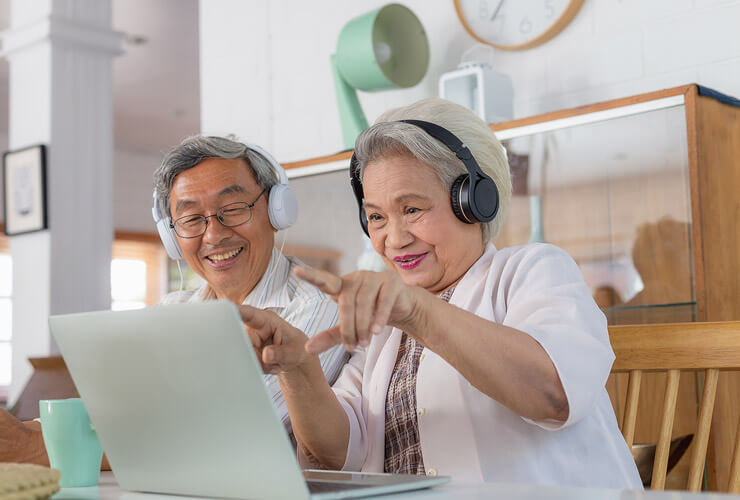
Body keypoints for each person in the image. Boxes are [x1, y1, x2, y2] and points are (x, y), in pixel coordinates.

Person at [238, 98, 643, 488]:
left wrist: (417, 311)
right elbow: (338, 453)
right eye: (376, 216)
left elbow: (553, 395)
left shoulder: (533, 269)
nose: (393, 239)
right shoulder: (387, 326)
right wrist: (295, 368)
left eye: (412, 209)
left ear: (474, 200)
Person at [0, 135, 346, 466]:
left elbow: (221, 438)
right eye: (192, 218)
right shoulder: (173, 310)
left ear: (276, 210)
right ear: (172, 235)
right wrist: (20, 432)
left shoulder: (319, 307)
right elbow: (117, 417)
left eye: (234, 208)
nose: (214, 234)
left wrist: (32, 447)